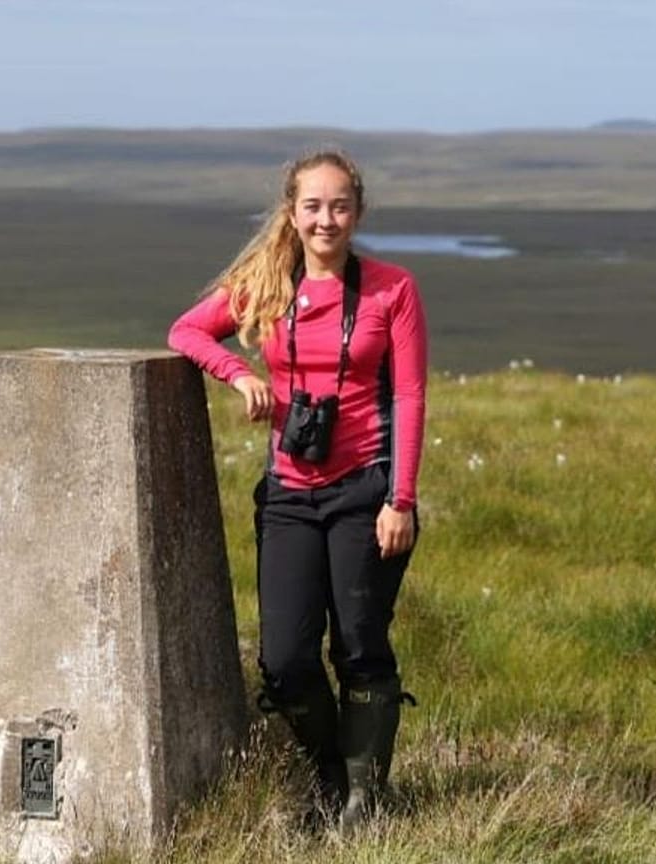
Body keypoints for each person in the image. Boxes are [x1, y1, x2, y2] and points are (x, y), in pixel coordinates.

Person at [167, 149, 427, 828]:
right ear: (292, 212)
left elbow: (410, 394)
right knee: (283, 658)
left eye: (339, 205)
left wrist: (400, 500)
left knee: (360, 645)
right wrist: (238, 373)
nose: (326, 219)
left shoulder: (391, 289)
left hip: (366, 491)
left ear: (358, 212)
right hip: (288, 491)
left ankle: (364, 802)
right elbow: (186, 330)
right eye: (313, 206)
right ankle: (331, 776)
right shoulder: (268, 285)